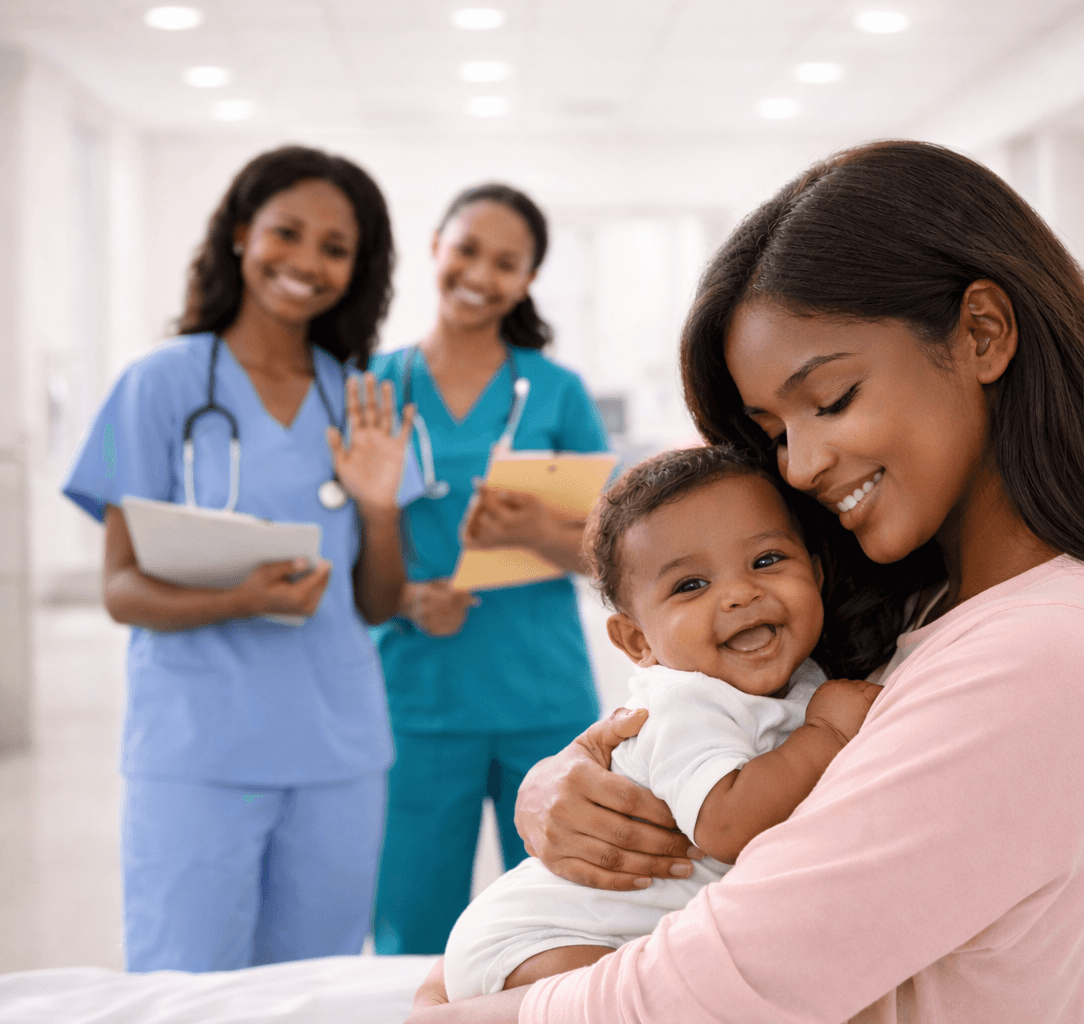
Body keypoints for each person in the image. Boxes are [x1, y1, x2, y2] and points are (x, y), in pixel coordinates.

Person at [408, 140, 1084, 1023]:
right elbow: (712, 739)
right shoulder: (927, 608)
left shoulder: (1047, 649)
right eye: (774, 432)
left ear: (982, 333)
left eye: (831, 401)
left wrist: (446, 1014)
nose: (799, 465)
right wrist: (571, 780)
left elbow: (717, 990)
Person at [62, 145, 419, 972]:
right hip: (197, 749)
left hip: (337, 750)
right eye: (286, 233)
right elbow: (121, 590)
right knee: (185, 990)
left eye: (335, 247)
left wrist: (378, 507)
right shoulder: (156, 385)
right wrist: (242, 598)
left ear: (358, 269)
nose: (306, 261)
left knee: (312, 990)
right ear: (238, 235)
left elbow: (376, 602)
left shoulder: (358, 398)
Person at [443, 446, 882, 998]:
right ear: (637, 641)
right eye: (690, 585)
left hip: (619, 936)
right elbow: (728, 825)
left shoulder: (806, 679)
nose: (740, 594)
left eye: (767, 560)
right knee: (634, 996)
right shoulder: (685, 704)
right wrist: (828, 735)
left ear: (815, 574)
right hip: (541, 936)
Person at [370, 184, 609, 957]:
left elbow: (614, 553)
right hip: (417, 697)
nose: (480, 273)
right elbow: (341, 542)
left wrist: (538, 530)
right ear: (435, 246)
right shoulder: (373, 387)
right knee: (410, 922)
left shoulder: (557, 391)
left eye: (506, 263)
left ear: (528, 278)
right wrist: (406, 597)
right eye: (467, 249)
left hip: (540, 694)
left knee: (556, 918)